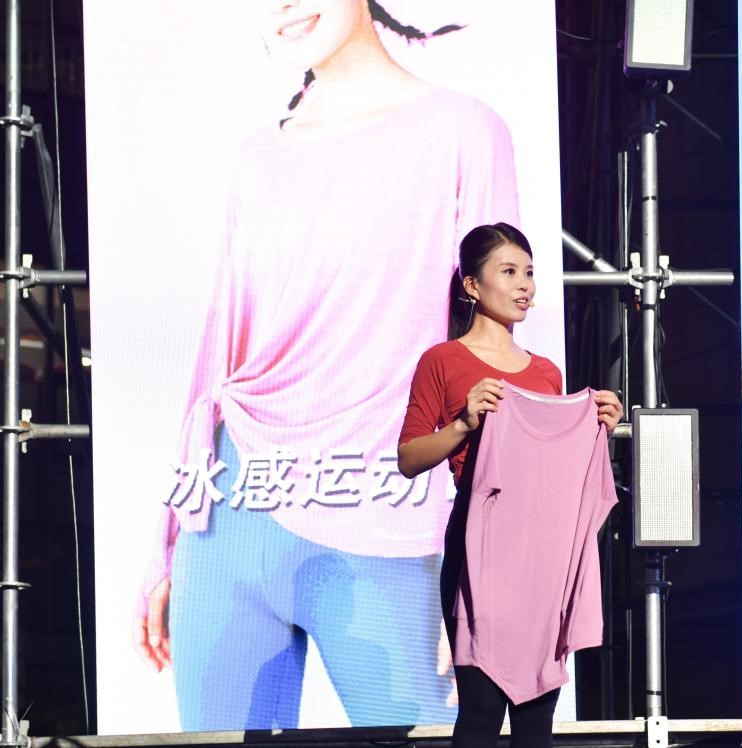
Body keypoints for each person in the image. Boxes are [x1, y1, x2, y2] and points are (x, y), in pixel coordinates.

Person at [133, 0, 521, 730]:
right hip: (230, 513)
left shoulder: (462, 130)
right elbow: (218, 353)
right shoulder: (257, 157)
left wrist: (491, 575)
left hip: (385, 511)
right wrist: (170, 535)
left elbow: (498, 352)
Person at [397, 223, 623, 748]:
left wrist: (599, 430)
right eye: (509, 272)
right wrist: (463, 423)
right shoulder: (443, 361)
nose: (525, 285)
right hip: (481, 545)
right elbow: (408, 458)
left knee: (537, 715)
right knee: (481, 711)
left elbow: (555, 471)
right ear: (472, 286)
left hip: (543, 552)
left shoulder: (546, 373)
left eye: (529, 273)